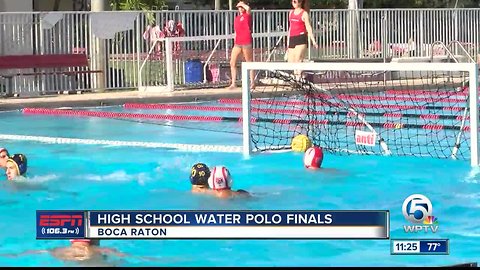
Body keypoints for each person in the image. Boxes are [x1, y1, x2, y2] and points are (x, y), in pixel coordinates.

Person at [287, 0, 318, 79]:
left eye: (295, 1)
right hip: (292, 38)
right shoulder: (290, 13)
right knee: (291, 61)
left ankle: (299, 77)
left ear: (300, 2)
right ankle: (298, 76)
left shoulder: (304, 13)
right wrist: (288, 41)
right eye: (293, 1)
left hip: (301, 38)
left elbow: (308, 27)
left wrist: (313, 41)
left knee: (298, 59)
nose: (294, 3)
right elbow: (290, 28)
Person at [228, 1, 255, 90]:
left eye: (241, 7)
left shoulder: (248, 16)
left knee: (249, 62)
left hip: (246, 41)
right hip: (238, 43)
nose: (240, 8)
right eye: (239, 7)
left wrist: (242, 4)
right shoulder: (237, 18)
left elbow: (248, 9)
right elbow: (236, 31)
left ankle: (252, 82)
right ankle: (233, 83)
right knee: (232, 62)